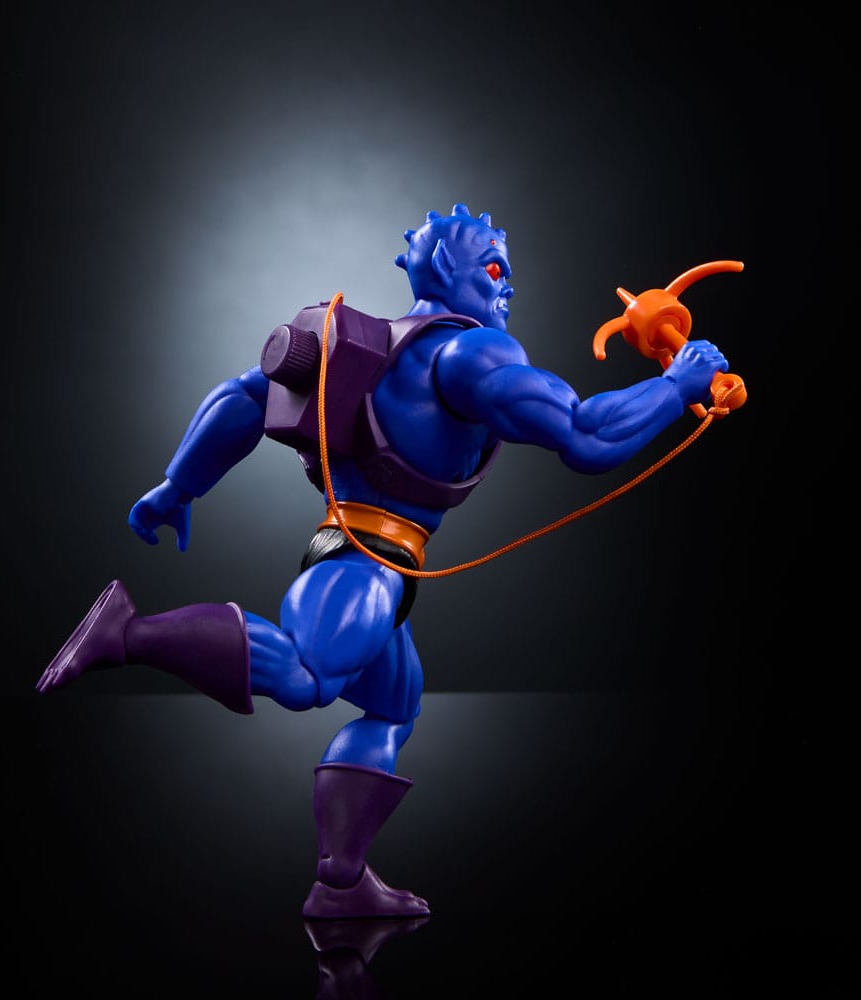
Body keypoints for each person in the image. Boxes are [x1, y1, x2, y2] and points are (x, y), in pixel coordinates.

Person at [36, 203, 729, 919]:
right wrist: (676, 387)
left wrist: (178, 487)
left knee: (393, 706)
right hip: (366, 564)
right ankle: (126, 632)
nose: (508, 285)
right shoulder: (471, 354)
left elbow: (244, 399)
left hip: (367, 557)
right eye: (496, 268)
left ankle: (340, 882)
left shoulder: (362, 347)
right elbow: (584, 433)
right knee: (306, 675)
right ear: (450, 270)